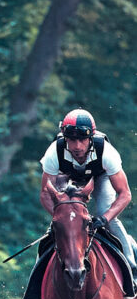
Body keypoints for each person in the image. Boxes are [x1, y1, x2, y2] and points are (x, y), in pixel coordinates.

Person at [39, 108, 137, 285]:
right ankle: (38, 283)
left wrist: (104, 219)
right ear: (64, 137)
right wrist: (60, 216)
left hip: (100, 177)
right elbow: (45, 192)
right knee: (59, 225)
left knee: (106, 213)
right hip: (66, 176)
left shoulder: (107, 153)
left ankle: (132, 268)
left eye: (82, 139)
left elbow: (125, 194)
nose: (77, 146)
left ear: (90, 138)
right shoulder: (53, 153)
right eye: (72, 139)